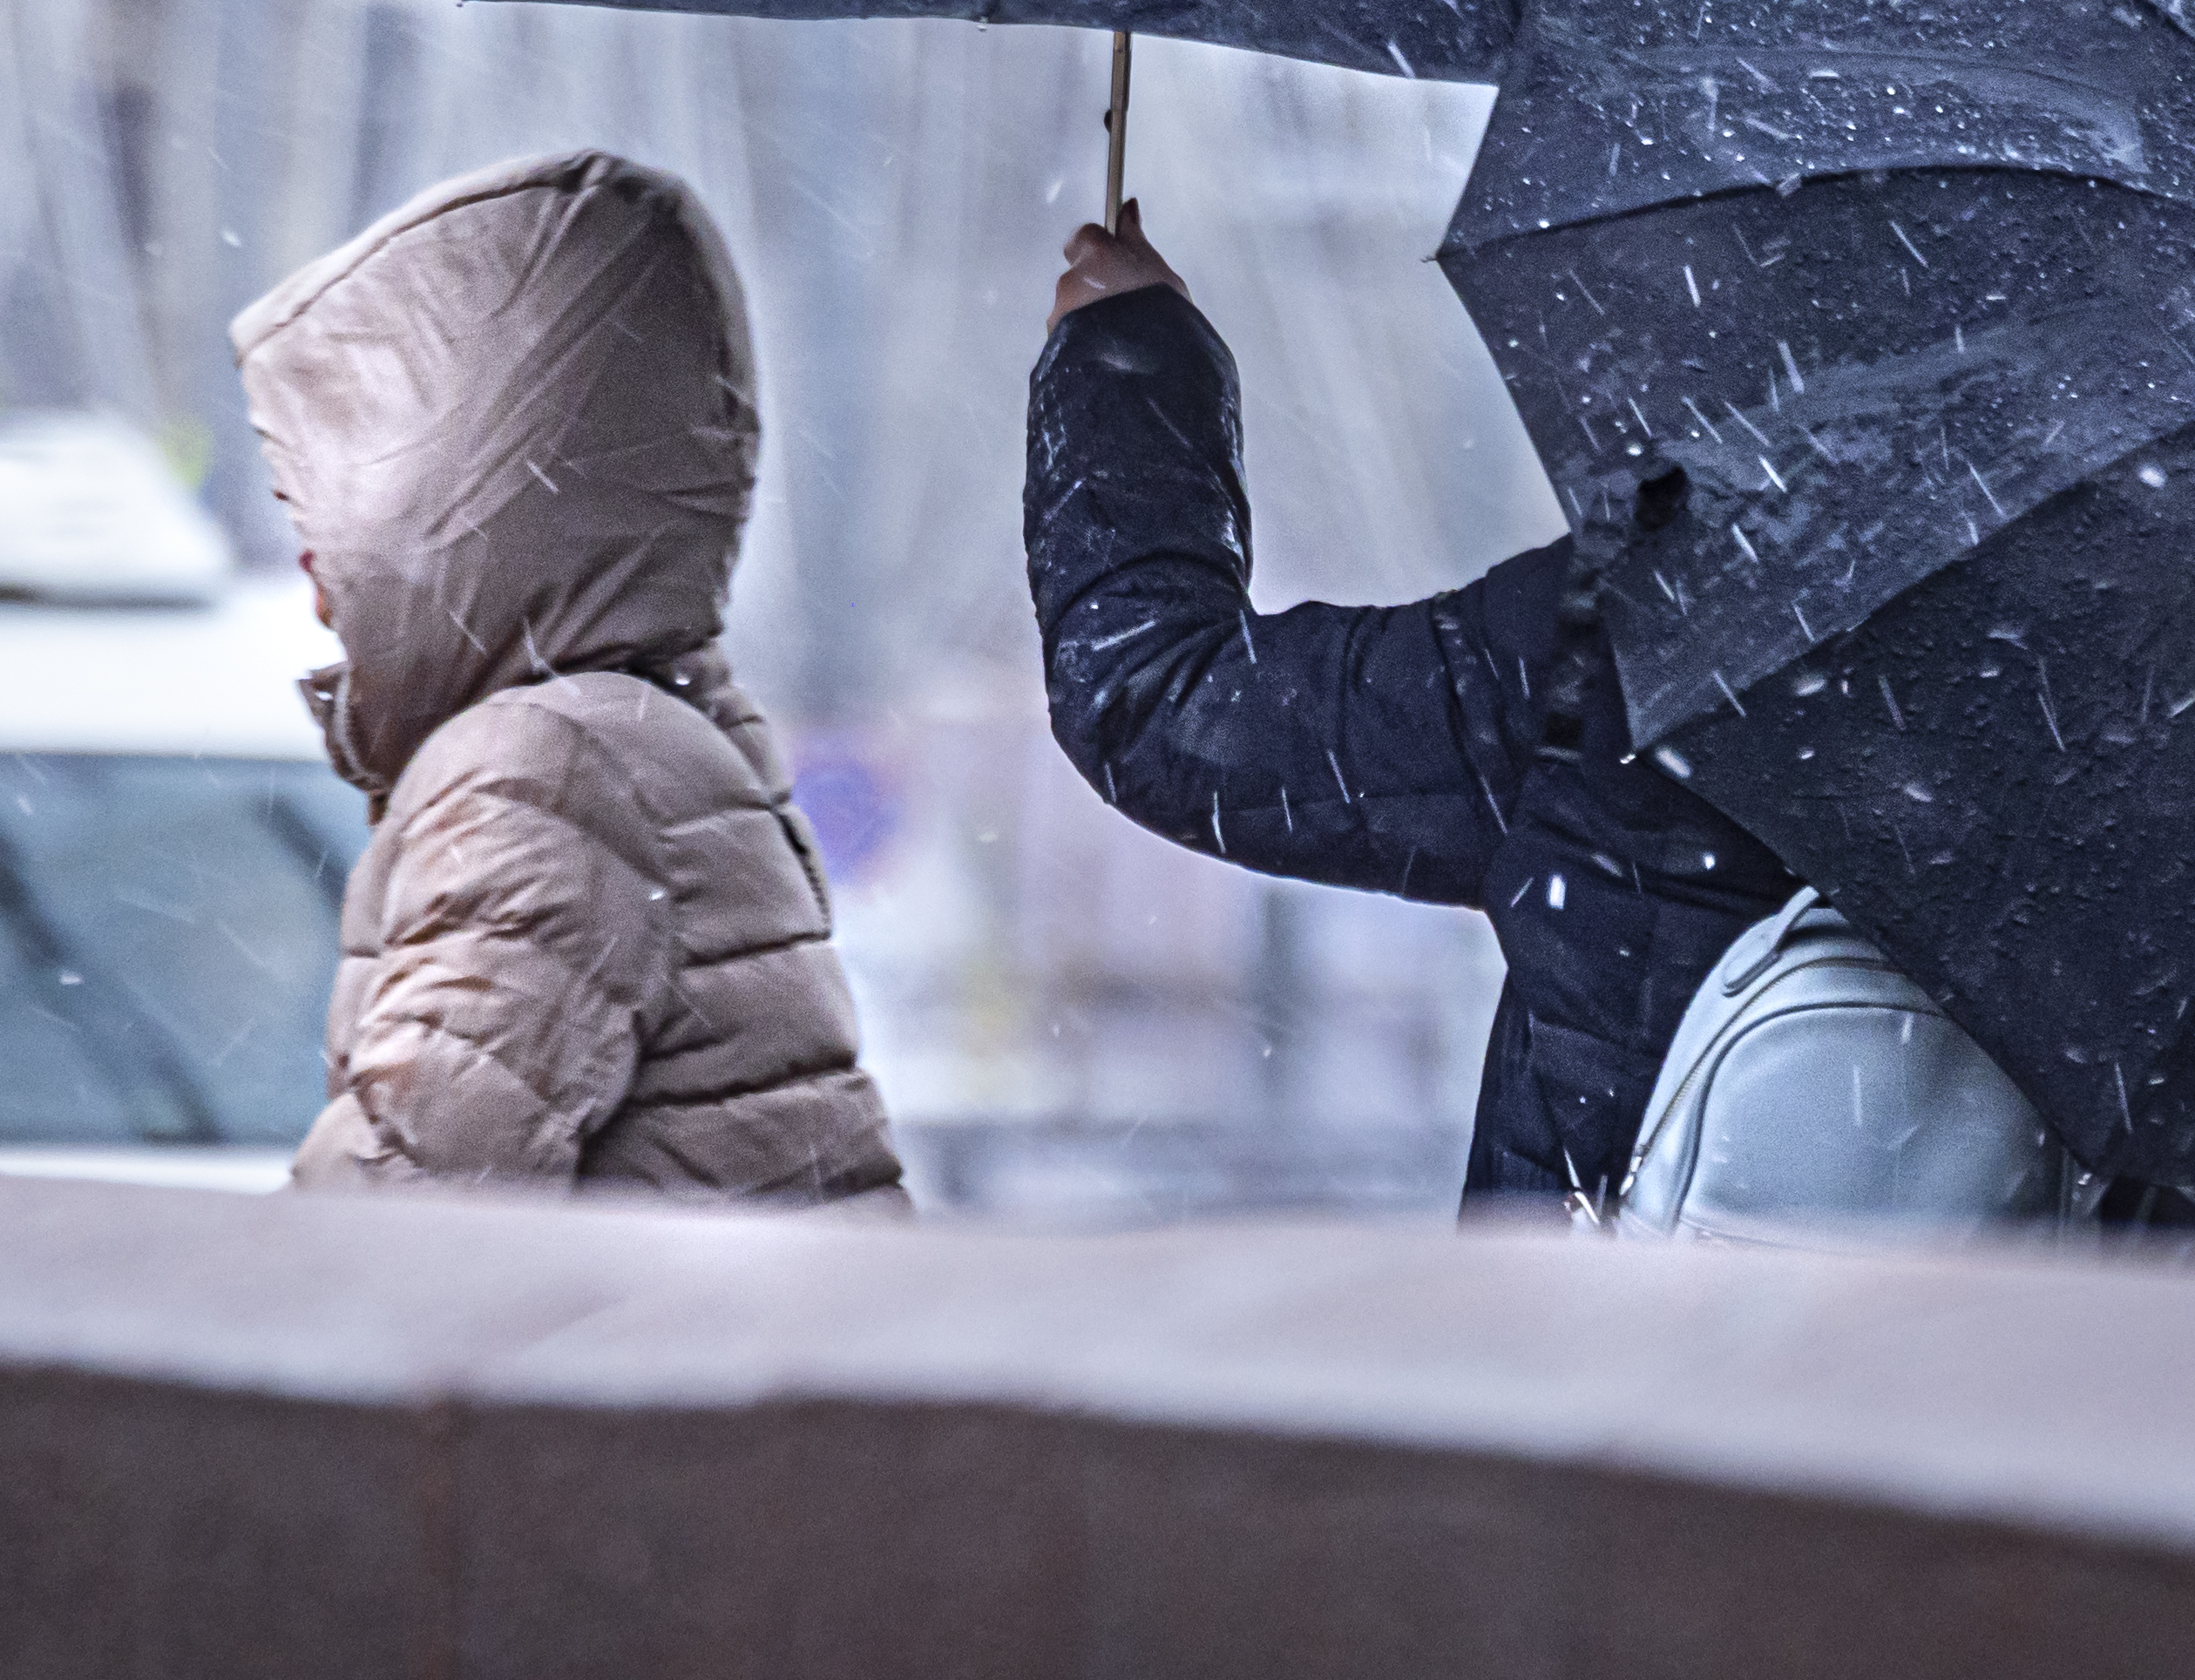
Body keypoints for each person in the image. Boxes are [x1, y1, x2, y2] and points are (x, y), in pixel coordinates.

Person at [1029, 200, 1799, 1215]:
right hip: (2001, 1357)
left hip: (1623, 1353)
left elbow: (1158, 702)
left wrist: (1126, 353)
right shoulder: (2056, 684)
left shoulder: (1687, 621)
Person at [235, 148, 905, 1207]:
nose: (314, 583)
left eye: (323, 521)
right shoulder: (652, 722)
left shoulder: (539, 774)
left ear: (446, 504)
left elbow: (397, 1208)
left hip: (666, 1365)